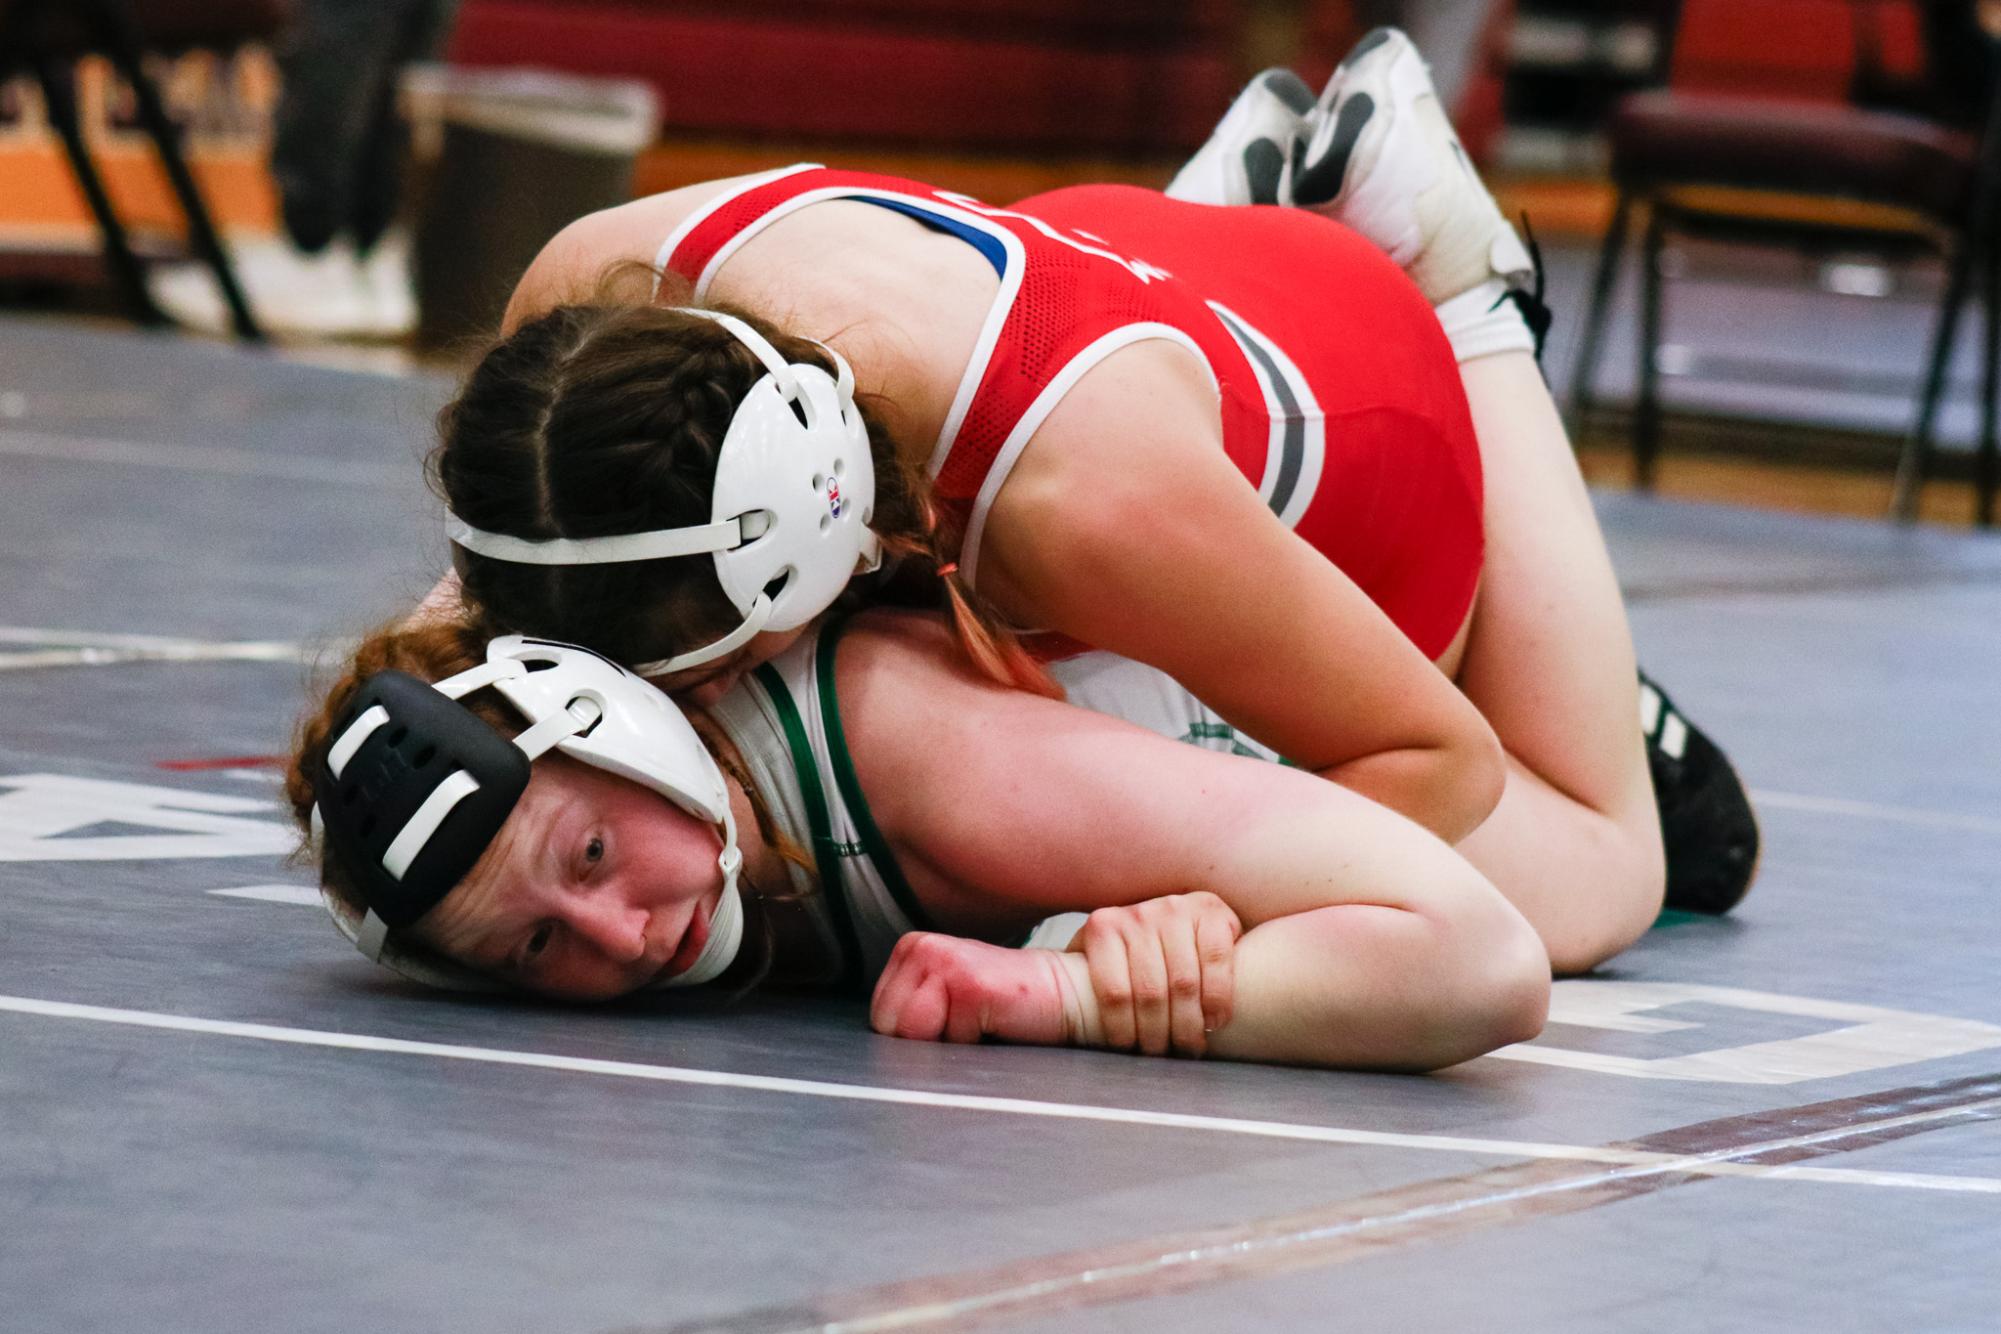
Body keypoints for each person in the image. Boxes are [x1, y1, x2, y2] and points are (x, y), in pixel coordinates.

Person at [421, 30, 1758, 978]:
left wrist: (1170, 916)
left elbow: (1435, 762)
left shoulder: (1084, 508)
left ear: (816, 538)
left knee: (1597, 877)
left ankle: (1460, 284)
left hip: (1364, 448)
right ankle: (1254, 198)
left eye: (706, 663)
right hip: (1125, 280)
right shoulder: (591, 288)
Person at [288, 609, 1549, 1069]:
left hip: (1413, 624)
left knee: (1624, 863)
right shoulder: (669, 791)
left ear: (620, 720)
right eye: (530, 952)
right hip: (1277, 778)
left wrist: (1070, 992)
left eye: (592, 859)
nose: (615, 942)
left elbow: (1484, 961)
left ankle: (1466, 293)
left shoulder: (927, 761)